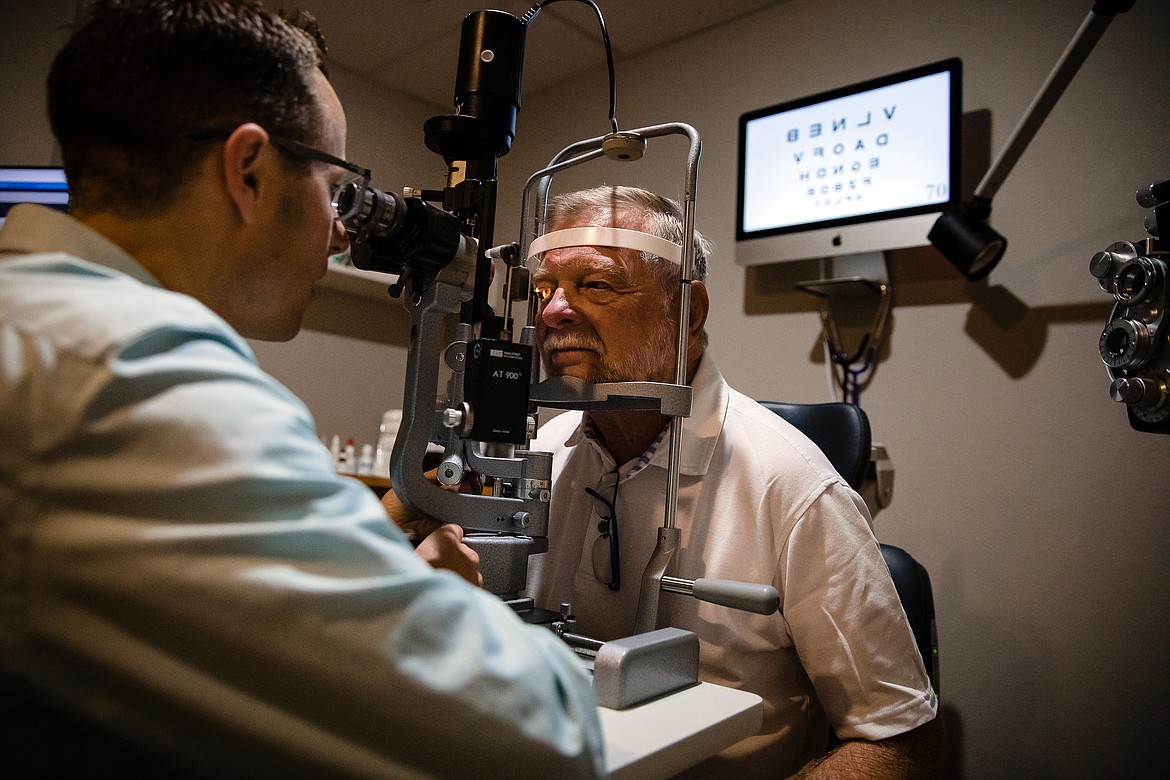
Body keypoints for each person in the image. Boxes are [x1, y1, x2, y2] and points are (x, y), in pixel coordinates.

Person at [0, 1, 604, 777]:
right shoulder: (133, 376)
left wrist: (375, 545)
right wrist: (436, 606)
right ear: (247, 171)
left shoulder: (40, 321)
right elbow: (539, 736)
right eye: (335, 186)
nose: (344, 229)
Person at [525, 185, 941, 778]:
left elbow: (902, 742)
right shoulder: (540, 453)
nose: (552, 313)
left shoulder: (791, 486)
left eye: (594, 285)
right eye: (544, 290)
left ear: (688, 313)